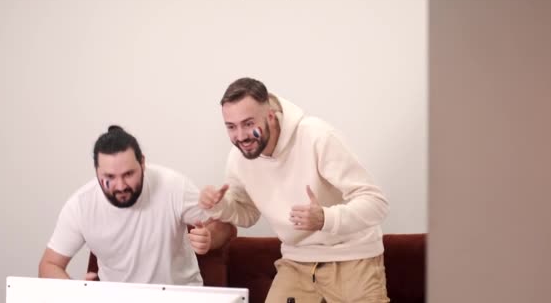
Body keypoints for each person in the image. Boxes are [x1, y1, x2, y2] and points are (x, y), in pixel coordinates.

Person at [201, 77, 390, 302]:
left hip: (353, 256)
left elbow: (376, 203)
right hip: (297, 262)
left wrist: (326, 218)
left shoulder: (316, 136)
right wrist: (220, 206)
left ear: (270, 116)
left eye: (249, 123)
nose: (240, 136)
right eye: (231, 127)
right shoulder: (238, 159)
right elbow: (248, 214)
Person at [39, 125, 235, 285]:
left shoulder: (173, 186)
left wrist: (209, 237)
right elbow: (49, 264)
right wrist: (75, 291)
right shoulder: (81, 206)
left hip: (180, 297)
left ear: (142, 163)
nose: (121, 186)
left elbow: (226, 226)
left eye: (128, 174)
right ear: (97, 171)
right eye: (109, 177)